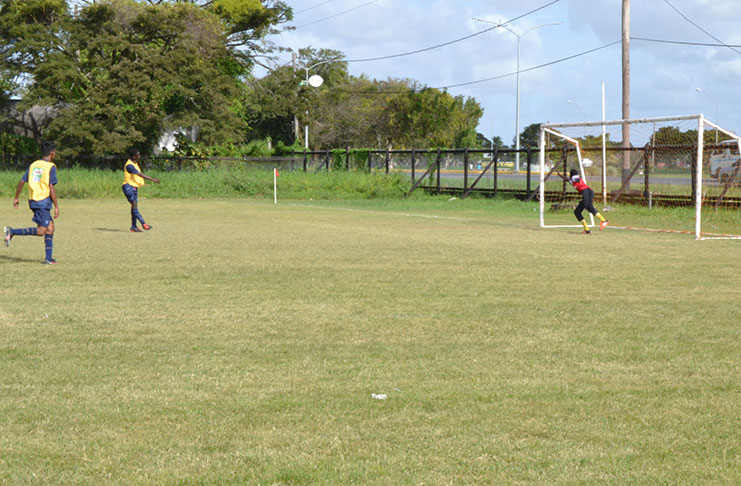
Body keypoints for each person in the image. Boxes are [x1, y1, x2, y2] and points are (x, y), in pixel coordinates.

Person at [3, 140, 60, 264]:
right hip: (42, 201)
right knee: (41, 231)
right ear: (52, 153)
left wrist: (16, 198)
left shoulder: (33, 165)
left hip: (33, 200)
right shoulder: (51, 167)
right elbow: (51, 187)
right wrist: (56, 206)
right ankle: (11, 231)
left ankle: (48, 258)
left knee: (50, 228)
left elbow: (22, 181)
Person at [122, 148, 160, 232]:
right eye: (138, 155)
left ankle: (133, 227)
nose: (139, 156)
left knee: (134, 207)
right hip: (128, 187)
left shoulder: (135, 163)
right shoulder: (129, 165)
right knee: (134, 206)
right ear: (134, 156)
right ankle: (144, 224)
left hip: (133, 187)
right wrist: (152, 179)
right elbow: (139, 174)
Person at [568, 169, 608, 234]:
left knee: (589, 207)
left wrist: (577, 178)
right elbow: (567, 179)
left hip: (586, 191)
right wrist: (559, 175)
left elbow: (577, 178)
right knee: (577, 212)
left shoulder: (574, 177)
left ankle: (604, 221)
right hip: (587, 192)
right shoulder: (571, 181)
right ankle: (587, 229)